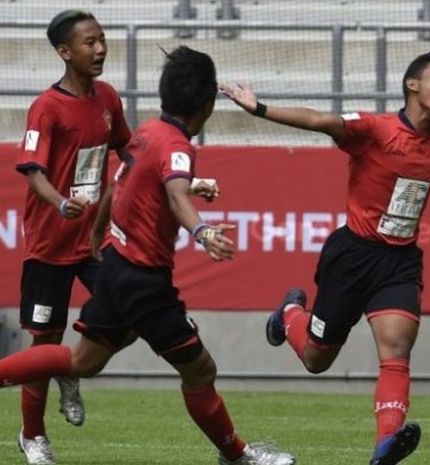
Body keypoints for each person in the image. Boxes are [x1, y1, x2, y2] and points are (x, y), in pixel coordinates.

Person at [219, 49, 430, 465]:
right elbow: (321, 121)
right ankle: (289, 314)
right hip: (353, 256)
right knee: (318, 359)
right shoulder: (375, 129)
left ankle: (385, 446)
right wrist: (259, 108)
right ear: (412, 85)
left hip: (399, 261)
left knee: (397, 348)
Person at [0, 46, 295, 465]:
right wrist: (203, 230)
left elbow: (122, 185)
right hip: (143, 281)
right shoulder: (177, 146)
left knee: (82, 360)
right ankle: (237, 455)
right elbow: (175, 194)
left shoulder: (147, 132)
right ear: (208, 106)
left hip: (117, 266)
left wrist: (100, 232)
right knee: (200, 371)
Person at [14, 10, 132, 465]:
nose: (100, 49)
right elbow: (33, 171)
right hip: (49, 245)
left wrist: (179, 179)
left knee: (134, 311)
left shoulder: (107, 97)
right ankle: (33, 435)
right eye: (89, 42)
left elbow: (130, 148)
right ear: (65, 52)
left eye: (102, 39)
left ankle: (72, 367)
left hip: (96, 241)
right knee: (44, 344)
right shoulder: (46, 107)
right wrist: (61, 203)